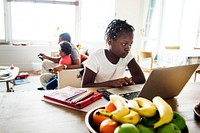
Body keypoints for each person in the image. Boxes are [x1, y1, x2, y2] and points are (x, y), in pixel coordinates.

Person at [82, 19, 146, 88]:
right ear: (110, 41)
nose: (128, 48)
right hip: (99, 95)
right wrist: (111, 83)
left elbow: (141, 78)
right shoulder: (95, 57)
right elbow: (85, 86)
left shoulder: (127, 56)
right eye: (124, 44)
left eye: (130, 44)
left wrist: (127, 81)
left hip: (117, 94)